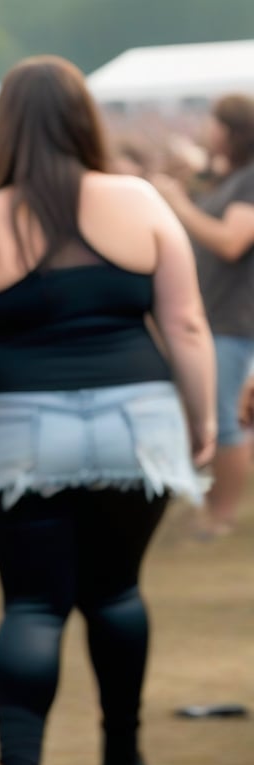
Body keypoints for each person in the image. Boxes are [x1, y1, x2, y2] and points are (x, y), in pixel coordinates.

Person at [0, 56, 216, 765]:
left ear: (6, 130)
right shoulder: (141, 200)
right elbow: (185, 325)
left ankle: (19, 759)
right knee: (117, 589)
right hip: (138, 421)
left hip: (18, 429)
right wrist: (204, 418)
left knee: (32, 604)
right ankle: (123, 750)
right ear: (84, 118)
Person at [152, 93, 254, 537]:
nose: (207, 130)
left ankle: (222, 516)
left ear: (233, 130)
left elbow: (232, 242)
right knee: (217, 414)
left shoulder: (250, 181)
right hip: (218, 315)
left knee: (229, 420)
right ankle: (215, 507)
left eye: (215, 123)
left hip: (236, 319)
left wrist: (180, 206)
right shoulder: (231, 178)